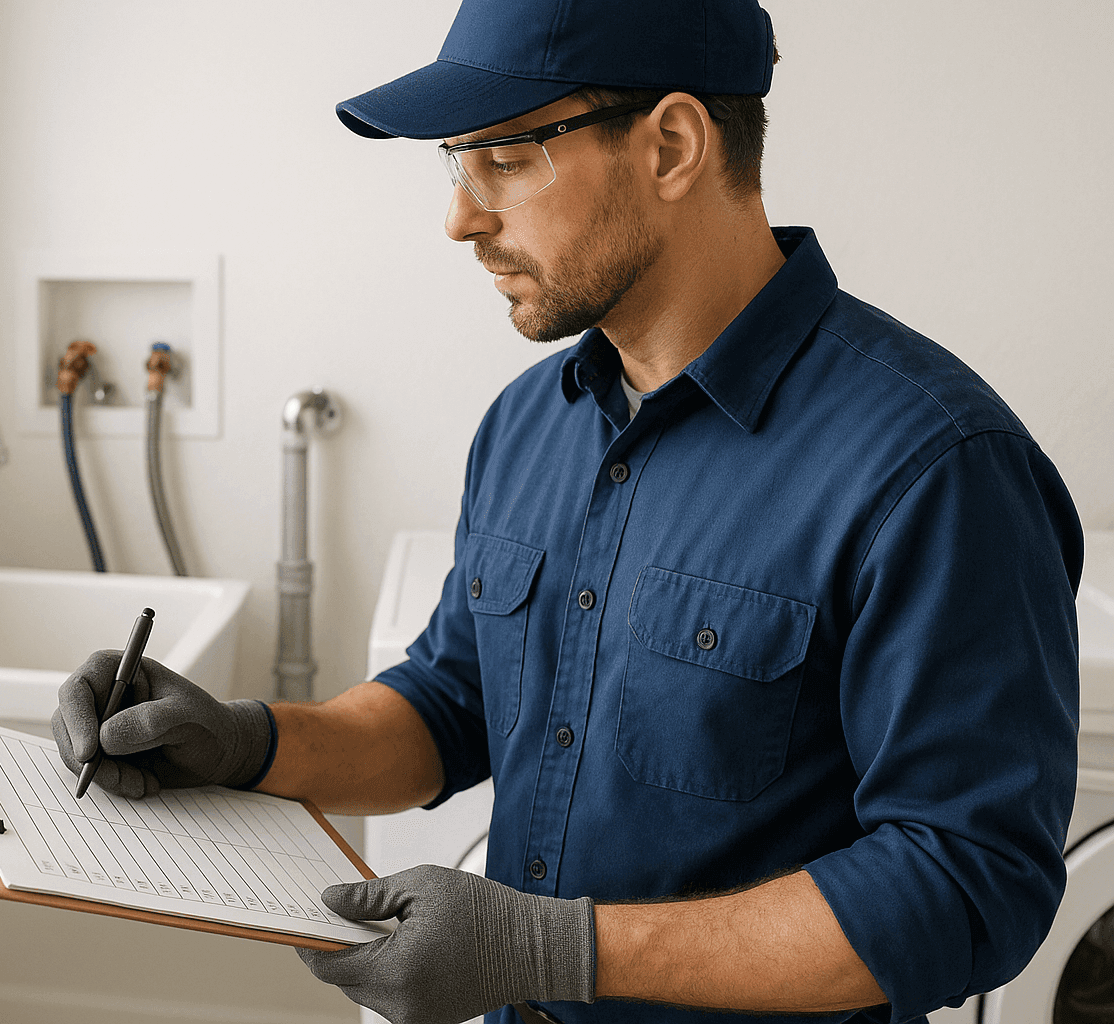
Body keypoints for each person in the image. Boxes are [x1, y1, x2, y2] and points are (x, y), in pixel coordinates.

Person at [53, 1, 1082, 1022]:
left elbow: (965, 882)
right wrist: (245, 743)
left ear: (670, 145)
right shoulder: (528, 426)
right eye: (455, 164)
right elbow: (453, 702)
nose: (460, 216)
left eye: (504, 157)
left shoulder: (935, 466)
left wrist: (550, 948)